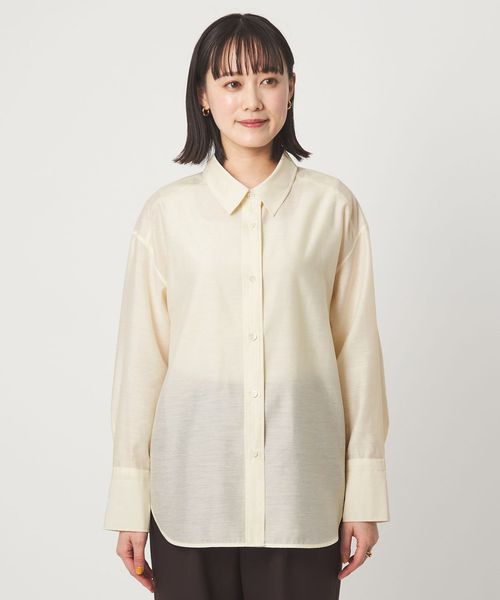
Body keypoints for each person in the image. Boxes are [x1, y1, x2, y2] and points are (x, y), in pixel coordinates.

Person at [103, 12, 390, 600]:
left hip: (302, 493)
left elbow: (357, 356)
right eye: (232, 83)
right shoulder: (166, 215)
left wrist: (363, 494)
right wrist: (129, 502)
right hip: (191, 497)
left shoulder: (332, 208)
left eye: (268, 79)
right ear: (203, 96)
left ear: (291, 88)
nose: (252, 100)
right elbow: (141, 364)